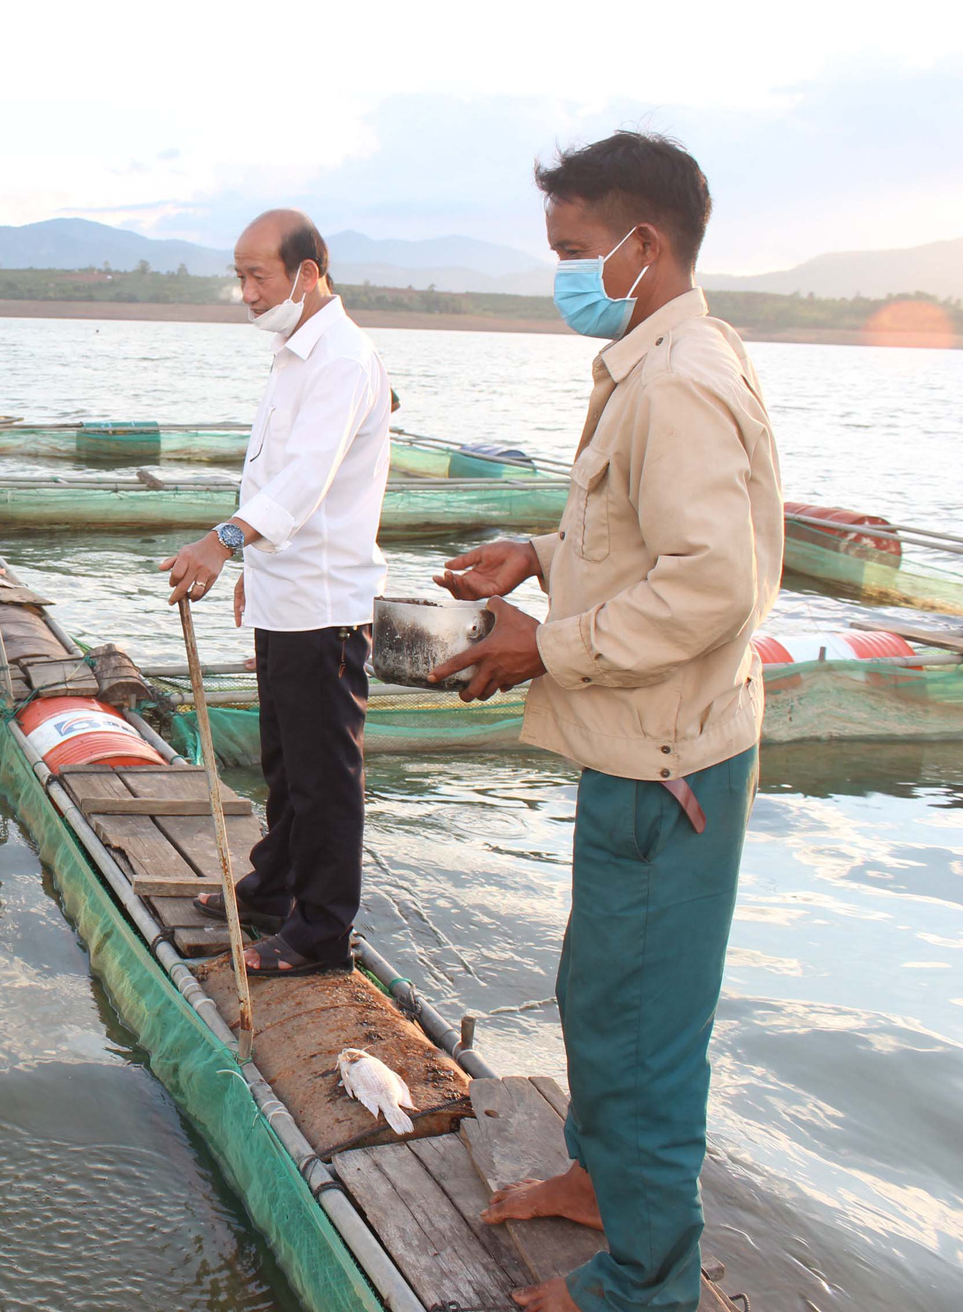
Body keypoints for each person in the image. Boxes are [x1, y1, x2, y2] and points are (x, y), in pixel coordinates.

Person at [430, 131, 782, 1312]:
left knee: (640, 1024)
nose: (563, 277)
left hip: (670, 763)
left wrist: (546, 643)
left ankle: (645, 1283)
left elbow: (710, 586)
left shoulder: (679, 380)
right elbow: (639, 535)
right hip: (638, 742)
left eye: (575, 252)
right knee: (602, 991)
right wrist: (531, 556)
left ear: (644, 244)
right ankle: (599, 1181)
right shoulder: (654, 355)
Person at [159, 209, 392, 978]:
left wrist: (222, 542)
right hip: (284, 592)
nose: (247, 291)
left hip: (325, 602)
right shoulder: (296, 353)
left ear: (308, 271)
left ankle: (321, 933)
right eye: (242, 276)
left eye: (258, 275)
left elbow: (304, 480)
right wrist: (253, 574)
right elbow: (272, 472)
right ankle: (275, 883)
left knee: (325, 772)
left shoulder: (344, 358)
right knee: (285, 759)